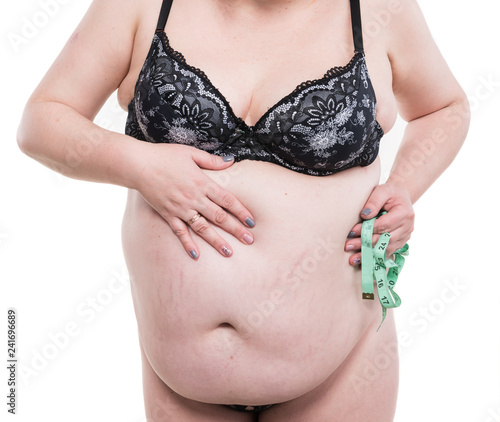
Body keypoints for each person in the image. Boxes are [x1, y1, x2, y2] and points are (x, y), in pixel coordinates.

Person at [16, 0, 469, 420]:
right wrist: (140, 164)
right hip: (181, 386)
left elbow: (445, 108)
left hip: (341, 370)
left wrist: (404, 188)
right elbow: (41, 121)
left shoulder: (378, 9)